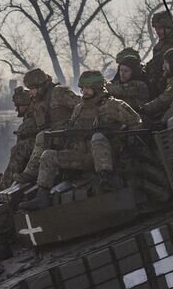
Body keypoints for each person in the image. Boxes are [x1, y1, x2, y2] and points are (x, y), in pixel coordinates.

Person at [22, 69, 140, 207]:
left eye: (88, 88)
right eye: (82, 88)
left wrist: (129, 144)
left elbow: (136, 122)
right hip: (83, 157)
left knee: (97, 137)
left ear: (97, 88)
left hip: (108, 157)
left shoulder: (113, 105)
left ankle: (107, 179)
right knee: (48, 155)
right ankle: (42, 196)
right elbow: (72, 132)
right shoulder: (78, 109)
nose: (84, 91)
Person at [0, 86, 40, 196]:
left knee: (18, 149)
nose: (16, 109)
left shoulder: (35, 115)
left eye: (18, 106)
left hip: (40, 146)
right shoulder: (30, 116)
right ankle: (6, 180)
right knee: (18, 149)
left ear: (25, 105)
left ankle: (5, 184)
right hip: (37, 146)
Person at [108, 48, 150, 112]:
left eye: (126, 71)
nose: (122, 74)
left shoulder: (140, 84)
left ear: (134, 72)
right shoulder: (119, 80)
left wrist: (103, 84)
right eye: (121, 70)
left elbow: (118, 90)